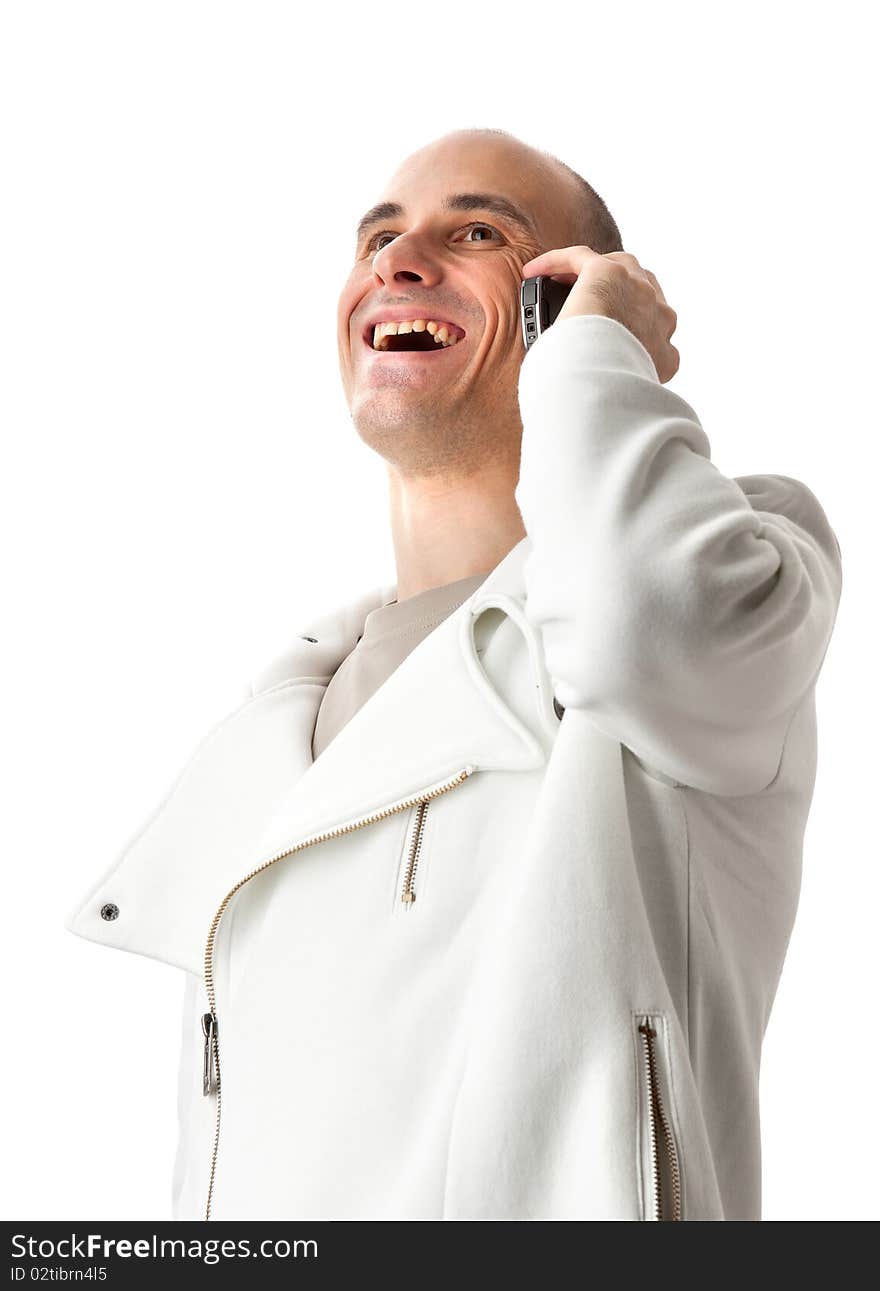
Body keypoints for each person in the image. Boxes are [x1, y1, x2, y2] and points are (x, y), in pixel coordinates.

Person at [65, 128, 843, 1221]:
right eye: (377, 236)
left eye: (477, 231)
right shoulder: (289, 713)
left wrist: (603, 346)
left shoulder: (738, 568)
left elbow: (641, 616)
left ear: (567, 306)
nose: (397, 257)